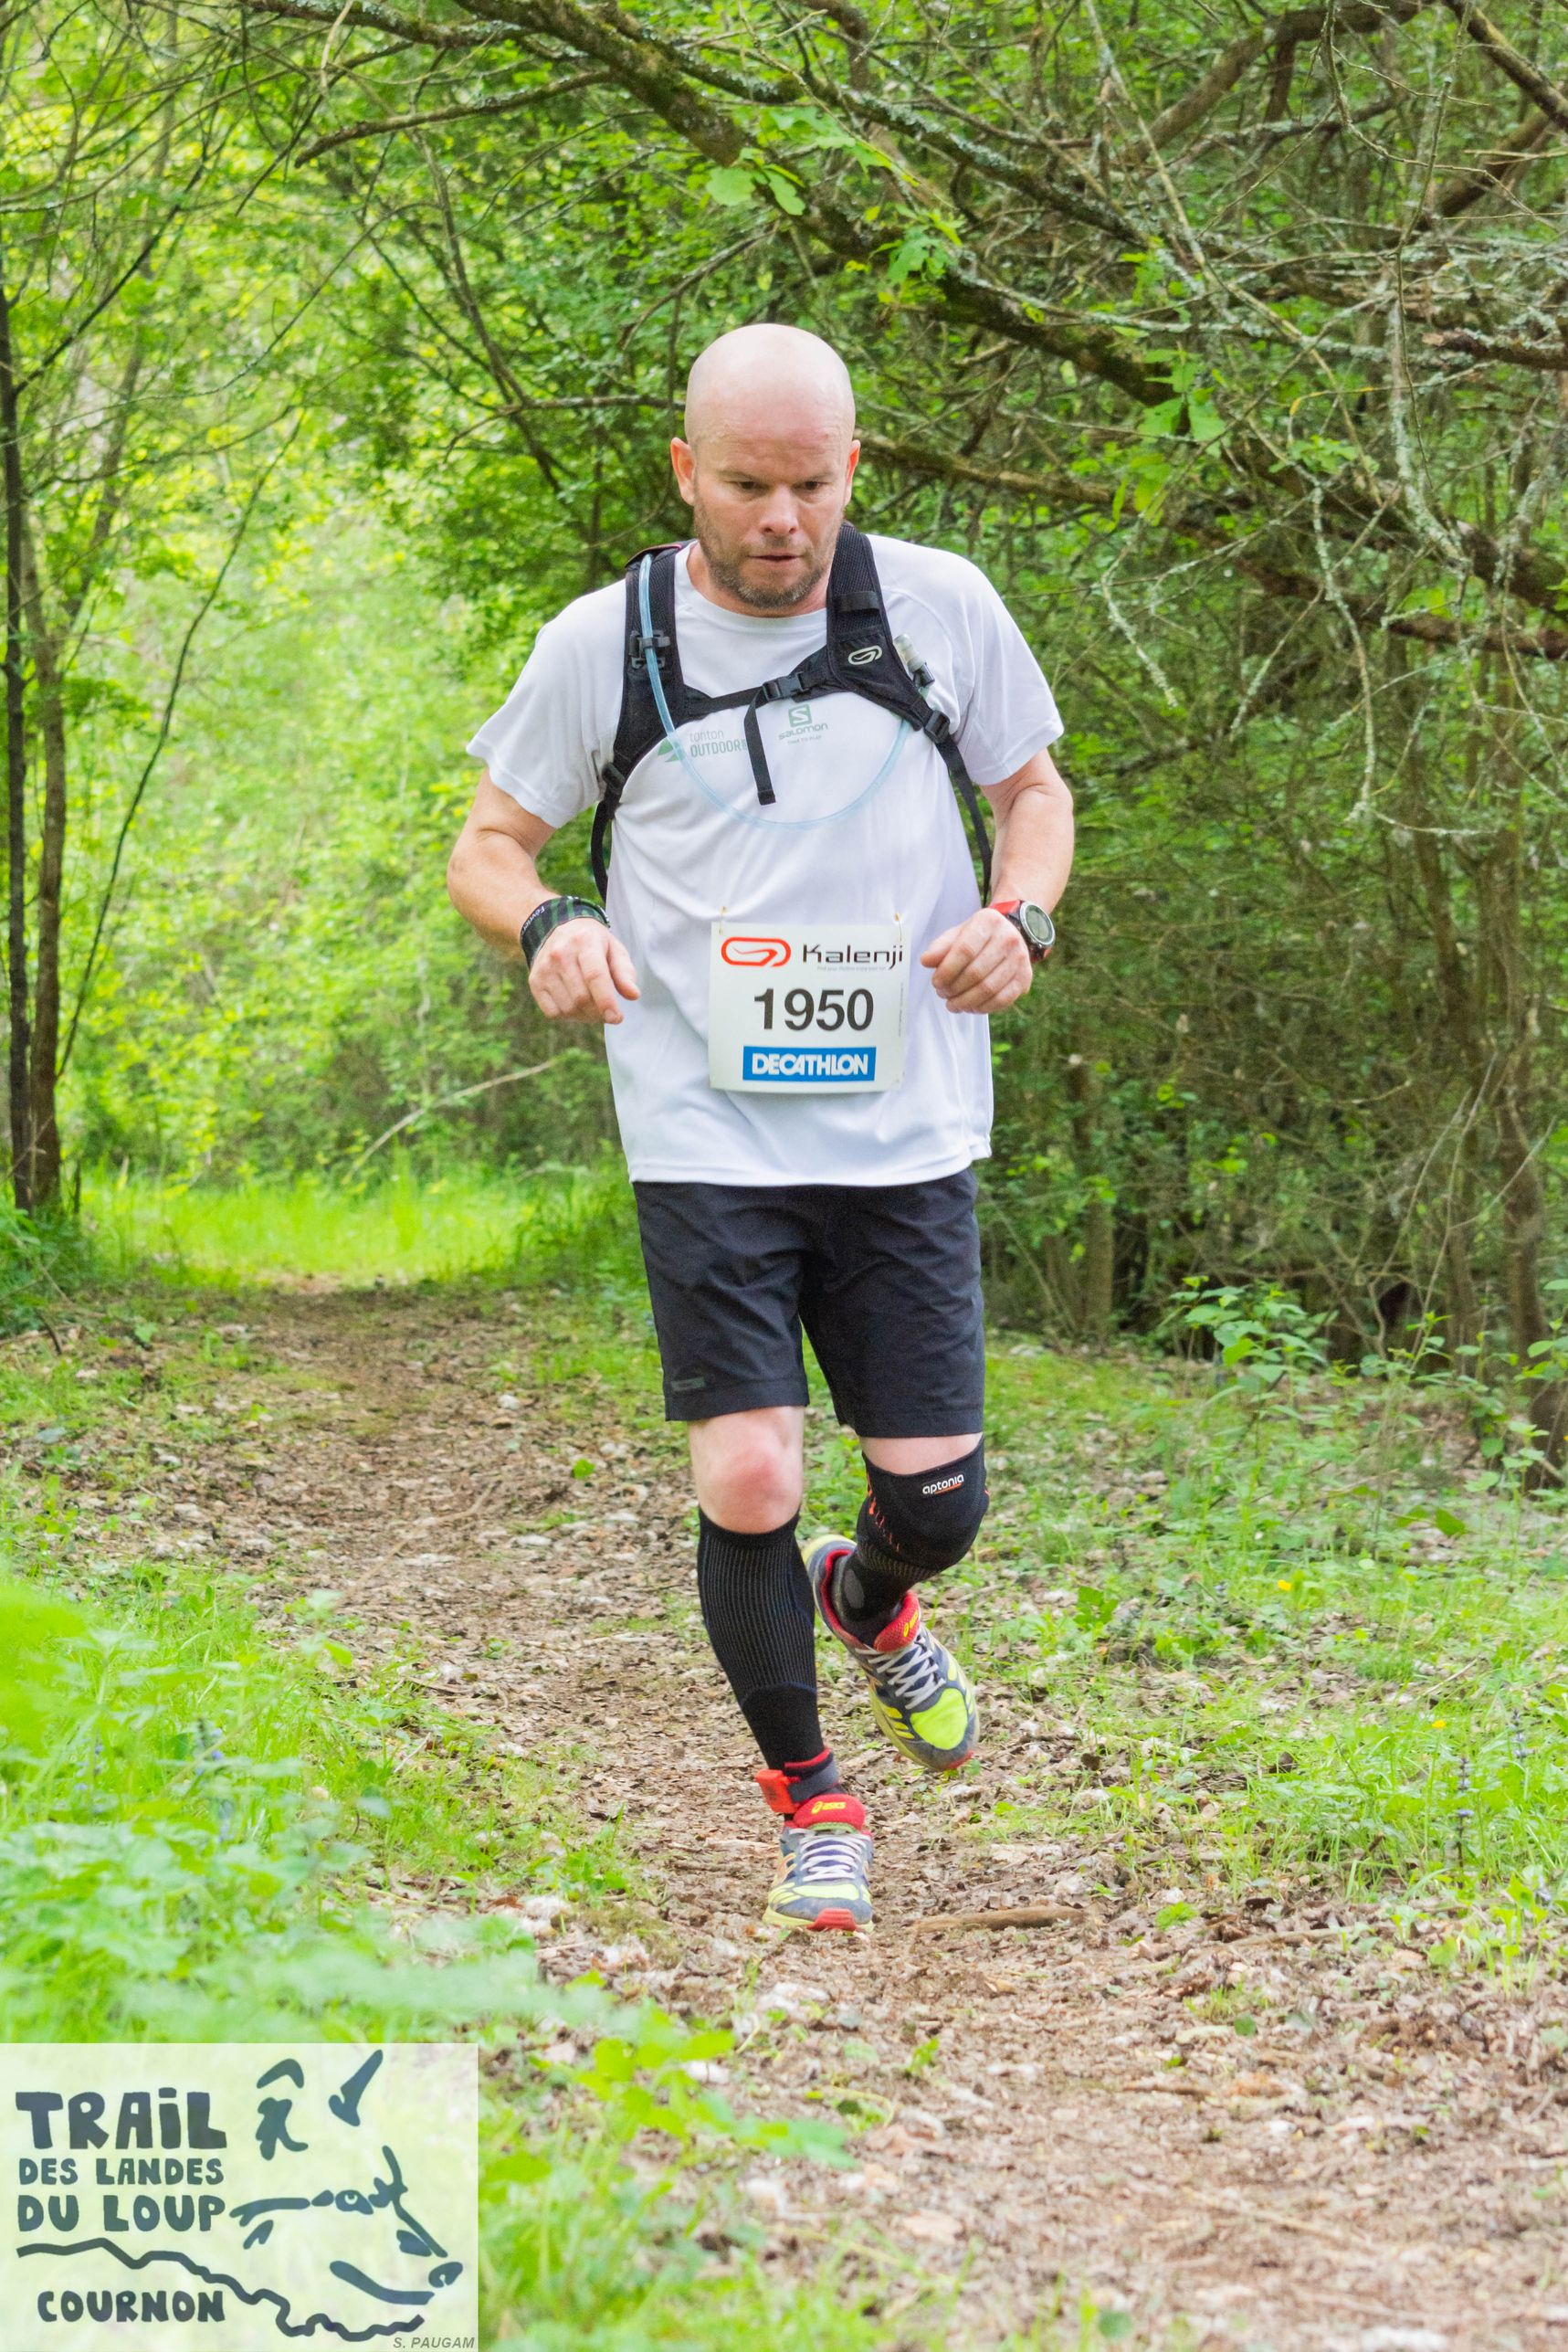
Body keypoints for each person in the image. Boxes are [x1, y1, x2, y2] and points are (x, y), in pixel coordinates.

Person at [448, 322, 1073, 1935]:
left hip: (904, 1127)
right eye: (745, 486)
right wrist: (548, 926)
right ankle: (813, 1802)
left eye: (810, 484)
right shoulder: (606, 641)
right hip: (704, 1128)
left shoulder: (938, 607)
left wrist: (1019, 915)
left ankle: (867, 1597)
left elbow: (1031, 793)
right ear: (685, 473)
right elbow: (489, 846)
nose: (781, 519)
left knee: (940, 1505)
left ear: (851, 468)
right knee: (743, 1473)